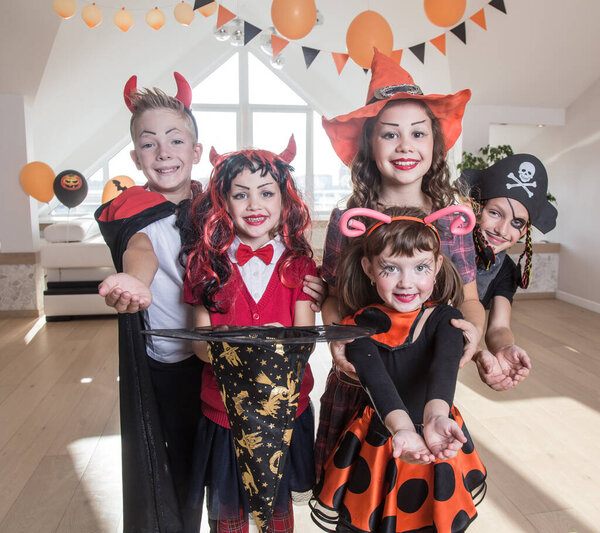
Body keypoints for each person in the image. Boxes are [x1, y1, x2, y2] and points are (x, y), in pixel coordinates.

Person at [314, 49, 486, 479]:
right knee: (355, 496)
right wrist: (339, 341)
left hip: (426, 389)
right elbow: (333, 298)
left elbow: (469, 299)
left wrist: (474, 335)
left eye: (418, 133)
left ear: (435, 143)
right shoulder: (348, 219)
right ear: (369, 145)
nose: (405, 145)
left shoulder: (453, 218)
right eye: (390, 135)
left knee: (422, 499)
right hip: (359, 386)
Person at [311, 206, 487, 533]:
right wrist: (403, 429)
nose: (407, 283)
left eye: (420, 267)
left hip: (438, 435)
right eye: (391, 269)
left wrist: (436, 418)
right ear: (368, 267)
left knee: (432, 520)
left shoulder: (446, 320)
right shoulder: (360, 326)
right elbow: (376, 381)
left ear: (436, 266)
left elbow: (444, 370)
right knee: (367, 519)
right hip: (380, 438)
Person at [182, 138, 318, 533]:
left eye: (266, 193)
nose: (254, 205)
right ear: (223, 203)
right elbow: (199, 345)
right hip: (225, 414)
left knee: (276, 514)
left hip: (284, 412)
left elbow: (303, 341)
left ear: (285, 201)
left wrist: (258, 345)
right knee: (228, 513)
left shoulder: (301, 264)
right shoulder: (204, 265)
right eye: (240, 195)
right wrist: (255, 347)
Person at [95, 72, 206, 533]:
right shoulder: (133, 208)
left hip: (213, 357)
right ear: (136, 156)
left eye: (175, 140)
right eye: (149, 143)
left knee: (206, 461)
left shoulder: (215, 206)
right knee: (164, 459)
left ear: (195, 152)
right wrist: (132, 283)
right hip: (164, 362)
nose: (163, 152)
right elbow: (139, 252)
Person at [458, 153, 558, 391]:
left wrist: (503, 349)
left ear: (524, 232)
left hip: (449, 358)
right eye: (495, 213)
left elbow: (499, 327)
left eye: (516, 223)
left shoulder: (505, 271)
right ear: (477, 208)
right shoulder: (449, 247)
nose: (502, 230)